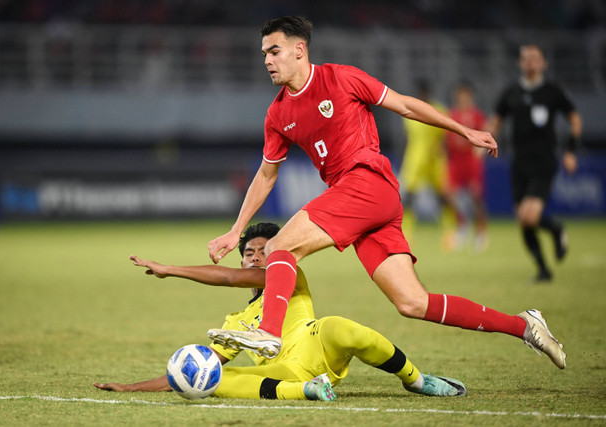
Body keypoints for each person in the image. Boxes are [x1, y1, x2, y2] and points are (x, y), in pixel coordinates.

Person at [206, 17, 566, 370]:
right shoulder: (278, 114)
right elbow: (267, 174)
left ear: (299, 50)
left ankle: (269, 331)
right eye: (264, 54)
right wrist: (237, 230)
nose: (267, 60)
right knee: (412, 302)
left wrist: (463, 130)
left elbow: (406, 105)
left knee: (279, 247)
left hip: (367, 181)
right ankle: (524, 325)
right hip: (363, 201)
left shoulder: (342, 78)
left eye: (274, 51)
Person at [94, 223, 467, 399]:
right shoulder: (236, 323)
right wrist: (130, 386)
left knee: (340, 326)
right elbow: (194, 372)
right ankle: (307, 391)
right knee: (212, 382)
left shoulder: (290, 276)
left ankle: (418, 380)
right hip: (286, 371)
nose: (258, 258)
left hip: (317, 345)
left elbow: (227, 279)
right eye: (250, 254)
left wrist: (170, 268)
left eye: (265, 251)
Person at [486, 45, 583, 282]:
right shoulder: (511, 92)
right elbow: (496, 121)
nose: (530, 62)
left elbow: (574, 118)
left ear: (543, 63)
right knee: (522, 219)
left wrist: (570, 151)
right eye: (526, 58)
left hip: (543, 161)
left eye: (535, 58)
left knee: (530, 216)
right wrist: (484, 140)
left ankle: (556, 229)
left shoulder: (552, 91)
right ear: (520, 63)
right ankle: (543, 270)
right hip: (519, 162)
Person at [398, 79, 456, 249]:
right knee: (409, 198)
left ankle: (449, 232)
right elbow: (410, 139)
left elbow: (445, 138)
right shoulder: (409, 112)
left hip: (435, 160)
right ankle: (407, 234)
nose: (423, 96)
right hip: (415, 160)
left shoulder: (439, 110)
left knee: (442, 197)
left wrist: (445, 158)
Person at [445, 82, 489, 251]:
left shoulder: (477, 116)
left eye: (465, 95)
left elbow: (485, 135)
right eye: (460, 95)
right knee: (449, 194)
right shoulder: (452, 115)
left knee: (476, 197)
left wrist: (481, 151)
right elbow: (447, 138)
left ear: (470, 96)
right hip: (456, 161)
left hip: (471, 160)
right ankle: (462, 226)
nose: (462, 98)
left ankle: (481, 232)